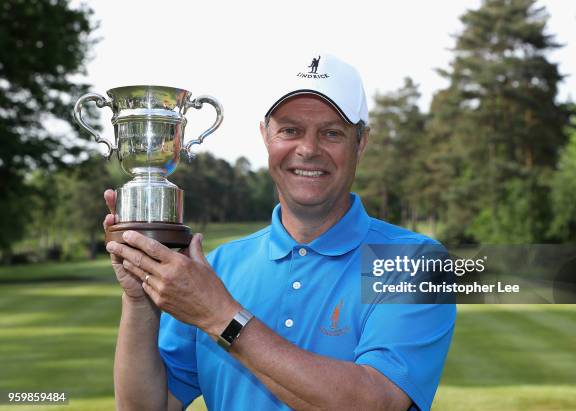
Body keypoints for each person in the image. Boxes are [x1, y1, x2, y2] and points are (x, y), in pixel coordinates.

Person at [104, 53, 456, 411]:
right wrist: (139, 301)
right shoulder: (218, 267)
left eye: (331, 132)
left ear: (361, 142)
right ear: (265, 136)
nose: (308, 149)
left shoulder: (417, 263)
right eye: (290, 130)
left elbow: (377, 401)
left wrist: (221, 316)